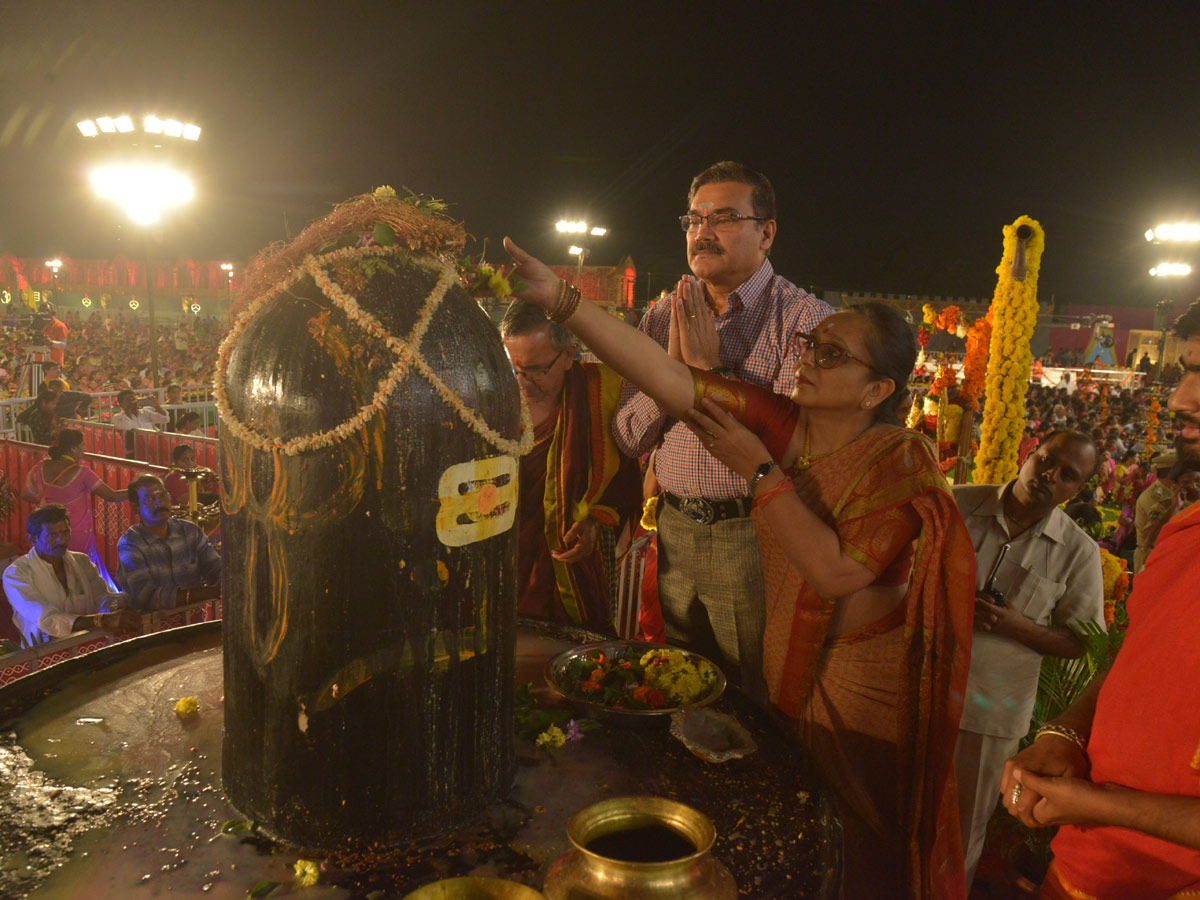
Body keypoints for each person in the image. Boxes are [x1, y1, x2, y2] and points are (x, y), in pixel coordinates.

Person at [504, 236, 974, 899]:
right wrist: (563, 300)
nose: (808, 359)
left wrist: (757, 470)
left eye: (831, 354)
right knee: (796, 797)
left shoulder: (899, 459)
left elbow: (837, 574)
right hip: (798, 665)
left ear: (877, 389)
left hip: (864, 689)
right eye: (811, 346)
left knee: (859, 835)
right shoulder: (792, 425)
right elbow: (668, 379)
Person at [610, 161, 834, 699]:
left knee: (753, 698)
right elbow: (628, 434)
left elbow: (795, 447)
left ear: (767, 231)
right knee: (674, 687)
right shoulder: (664, 316)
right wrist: (673, 380)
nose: (703, 232)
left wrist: (709, 377)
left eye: (725, 218)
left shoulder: (806, 322)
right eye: (693, 218)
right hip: (674, 530)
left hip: (754, 537)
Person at [1001, 301, 1200, 899]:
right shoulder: (1187, 528)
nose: (1180, 399)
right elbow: (1139, 661)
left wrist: (1102, 803)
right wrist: (1067, 734)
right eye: (1186, 371)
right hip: (1087, 857)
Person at [951, 431, 1105, 889]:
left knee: (962, 829)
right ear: (1028, 454)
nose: (1049, 476)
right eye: (1046, 461)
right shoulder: (958, 504)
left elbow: (1081, 641)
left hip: (991, 712)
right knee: (892, 807)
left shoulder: (1079, 552)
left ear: (1075, 491)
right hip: (917, 687)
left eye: (1067, 476)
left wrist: (1018, 626)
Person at [499, 301, 641, 631]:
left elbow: (625, 476)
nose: (522, 381)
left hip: (577, 556)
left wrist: (596, 519)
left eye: (535, 370)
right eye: (514, 368)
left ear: (568, 355)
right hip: (506, 553)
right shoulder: (493, 397)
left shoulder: (603, 391)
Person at [3, 504, 140, 645]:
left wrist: (120, 607)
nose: (61, 540)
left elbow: (103, 597)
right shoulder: (17, 574)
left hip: (89, 645)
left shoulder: (82, 561)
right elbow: (48, 619)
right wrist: (101, 619)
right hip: (43, 655)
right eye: (53, 535)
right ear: (32, 539)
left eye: (65, 532)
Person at [21, 429, 127, 578]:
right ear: (72, 448)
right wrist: (138, 489)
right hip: (74, 532)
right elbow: (112, 496)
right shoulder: (82, 472)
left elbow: (26, 494)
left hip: (48, 530)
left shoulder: (40, 467)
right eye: (82, 445)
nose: (84, 449)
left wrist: (50, 502)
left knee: (53, 571)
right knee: (81, 574)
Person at [117, 474, 221, 610]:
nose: (160, 503)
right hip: (154, 627)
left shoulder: (189, 531)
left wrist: (224, 582)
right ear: (135, 507)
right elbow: (146, 597)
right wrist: (207, 593)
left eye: (163, 496)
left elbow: (215, 567)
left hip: (194, 620)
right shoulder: (130, 545)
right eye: (150, 499)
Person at [1133, 451, 1177, 573]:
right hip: (1150, 556)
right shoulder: (1156, 497)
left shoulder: (1170, 492)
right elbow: (1155, 532)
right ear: (1171, 473)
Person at [111, 388, 168, 459]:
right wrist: (128, 410)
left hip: (152, 447)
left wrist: (157, 406)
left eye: (134, 399)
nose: (132, 401)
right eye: (129, 400)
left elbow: (165, 419)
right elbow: (127, 427)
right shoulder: (117, 417)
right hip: (134, 452)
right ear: (121, 404)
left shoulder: (145, 412)